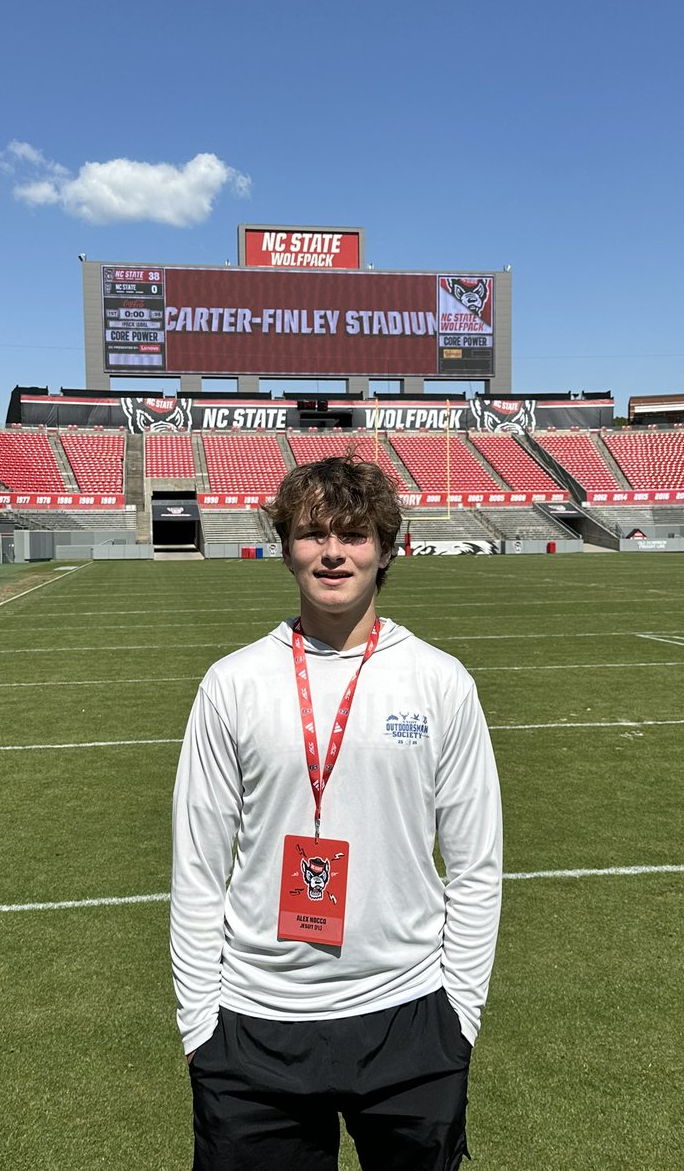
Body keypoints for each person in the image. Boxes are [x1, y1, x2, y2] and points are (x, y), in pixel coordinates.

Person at [170, 455, 502, 1171]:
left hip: (410, 1015)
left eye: (353, 535)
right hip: (255, 1023)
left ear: (386, 549)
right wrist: (201, 1023)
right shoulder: (232, 684)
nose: (332, 552)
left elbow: (476, 864)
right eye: (313, 533)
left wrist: (459, 1016)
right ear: (285, 545)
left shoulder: (439, 681)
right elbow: (197, 865)